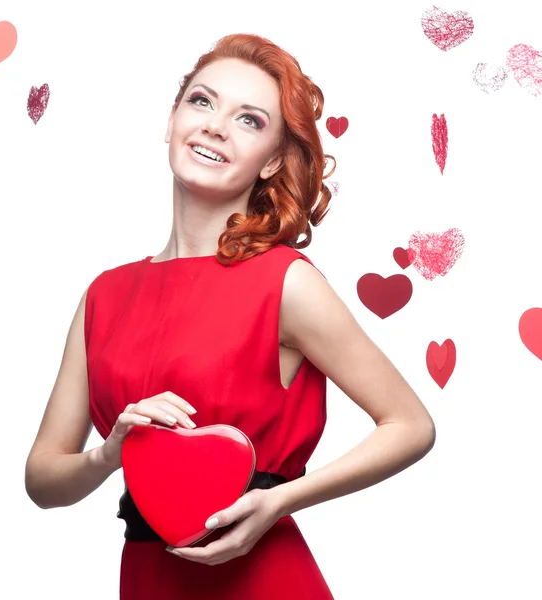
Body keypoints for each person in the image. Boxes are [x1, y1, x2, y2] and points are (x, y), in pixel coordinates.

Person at [25, 33, 436, 599]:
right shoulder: (104, 294)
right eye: (202, 101)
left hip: (264, 579)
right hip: (147, 577)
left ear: (271, 161)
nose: (216, 125)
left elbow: (411, 424)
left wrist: (281, 500)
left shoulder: (285, 282)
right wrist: (109, 452)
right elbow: (43, 479)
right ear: (171, 120)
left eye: (249, 119)